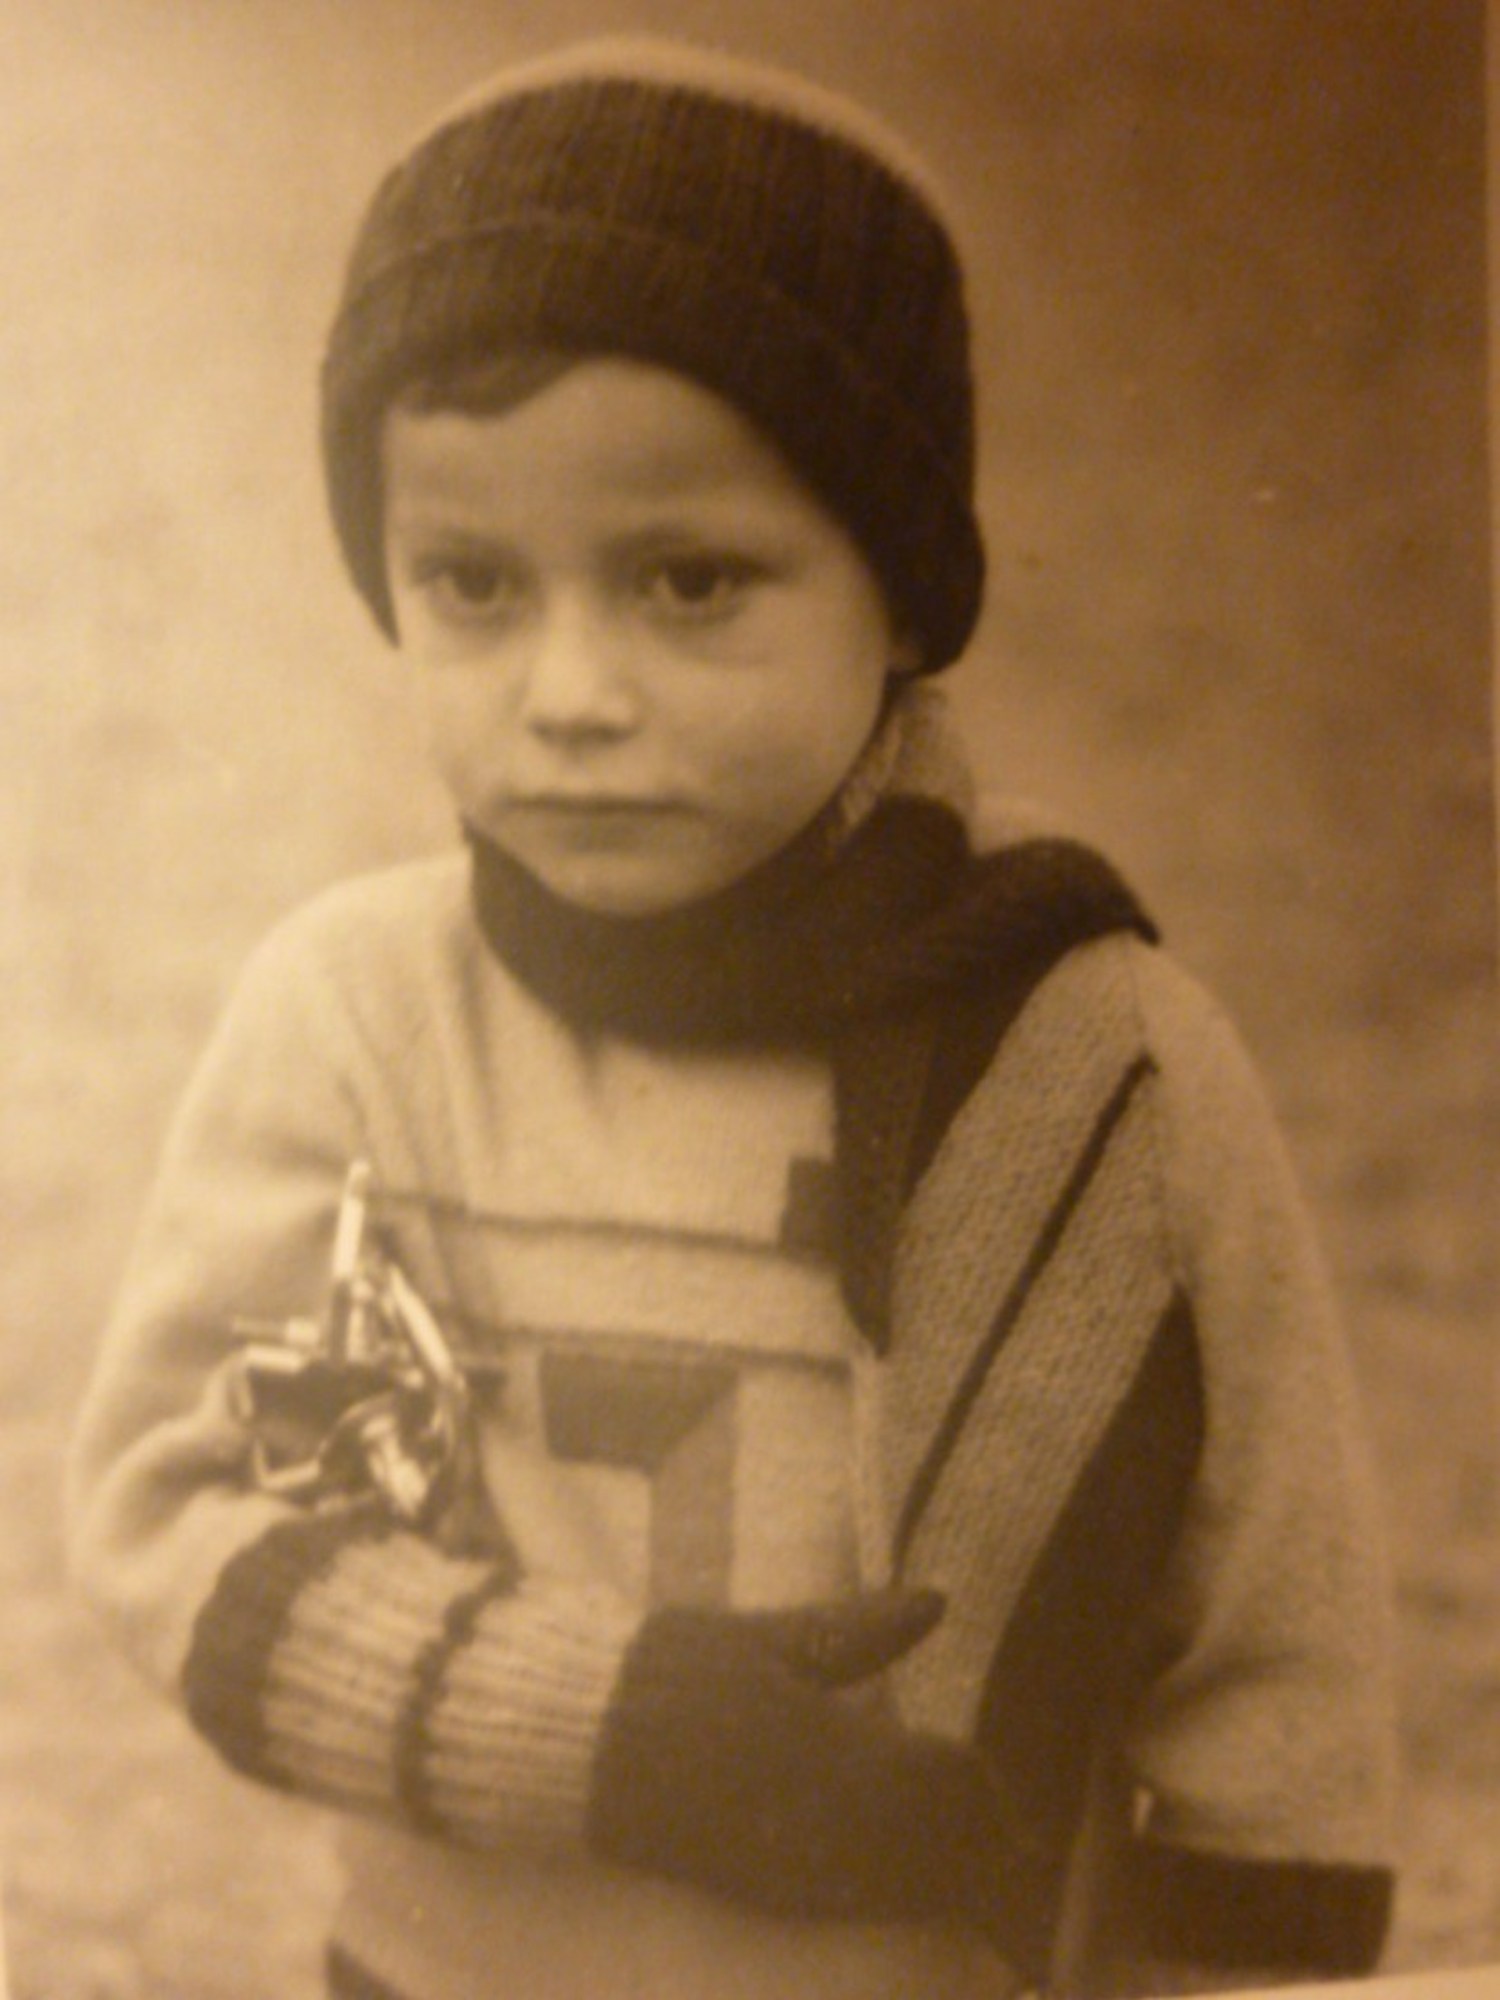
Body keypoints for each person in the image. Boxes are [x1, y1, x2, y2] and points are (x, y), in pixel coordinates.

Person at [66, 36, 1399, 2000]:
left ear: (902, 592)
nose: (571, 692)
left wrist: (1250, 1964)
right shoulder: (363, 1024)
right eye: (473, 584)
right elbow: (191, 1511)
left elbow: (1270, 1613)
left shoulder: (1094, 1057)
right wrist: (600, 1723)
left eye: (689, 582)